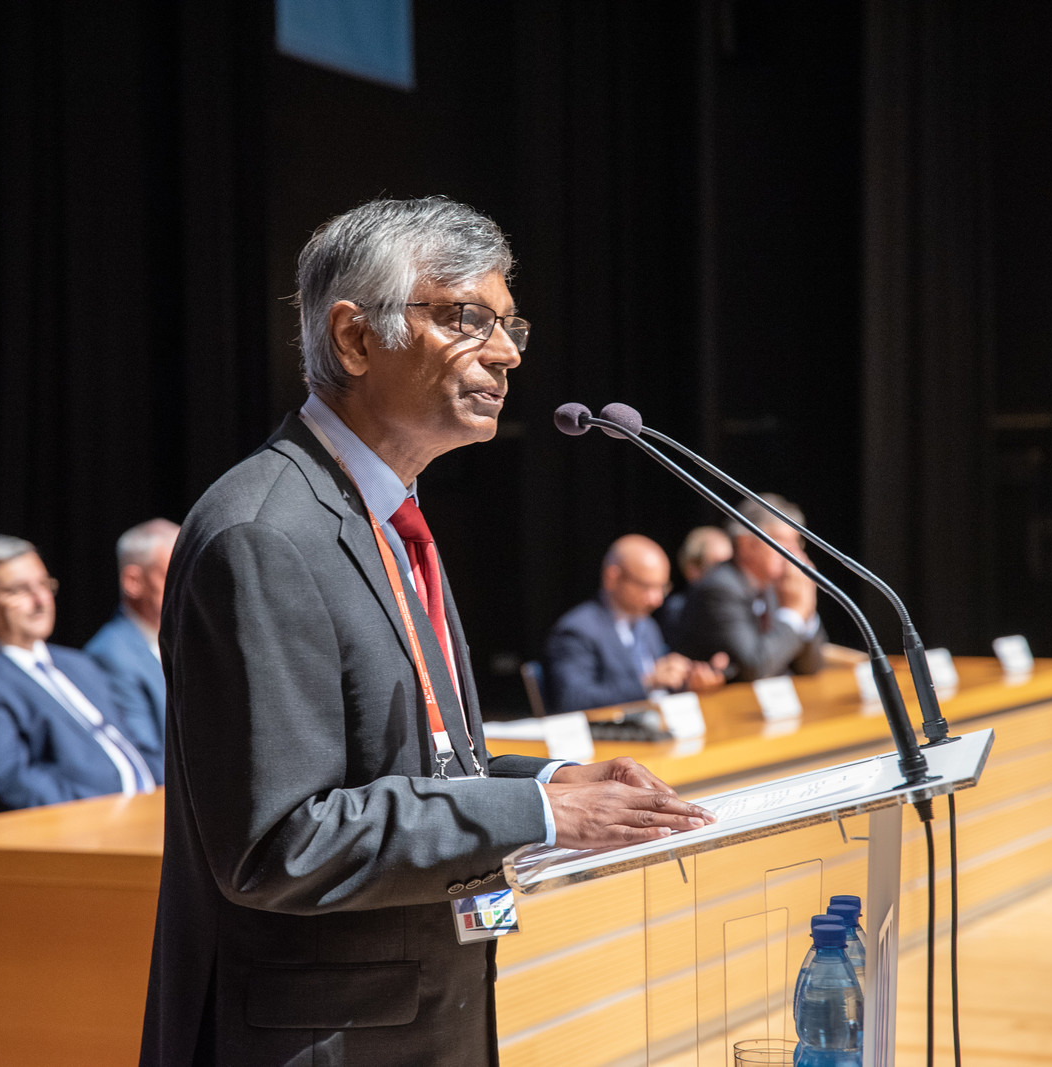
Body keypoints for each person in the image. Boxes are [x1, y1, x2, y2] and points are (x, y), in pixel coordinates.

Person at [140, 197, 714, 1067]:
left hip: (420, 1018)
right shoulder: (264, 535)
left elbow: (415, 766)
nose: (507, 351)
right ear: (354, 339)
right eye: (467, 318)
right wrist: (537, 813)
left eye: (509, 323)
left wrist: (550, 778)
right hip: (318, 1040)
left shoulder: (388, 513)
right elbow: (282, 840)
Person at [0, 535, 155, 817]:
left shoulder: (78, 664)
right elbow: (11, 786)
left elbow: (137, 749)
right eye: (20, 590)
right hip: (86, 828)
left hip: (150, 814)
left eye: (44, 585)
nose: (41, 600)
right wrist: (110, 813)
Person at [542, 534, 727, 713]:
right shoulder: (577, 630)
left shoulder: (647, 625)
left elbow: (658, 693)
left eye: (662, 588)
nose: (657, 600)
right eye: (647, 587)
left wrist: (687, 682)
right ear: (612, 577)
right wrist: (647, 682)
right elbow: (572, 701)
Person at [673, 495, 830, 681]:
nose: (794, 553)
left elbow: (811, 666)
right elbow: (755, 667)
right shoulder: (719, 589)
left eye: (797, 542)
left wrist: (807, 611)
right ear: (746, 544)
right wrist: (795, 612)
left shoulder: (777, 588)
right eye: (782, 541)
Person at [85, 518, 179, 783]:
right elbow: (147, 759)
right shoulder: (111, 655)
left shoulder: (195, 639)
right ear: (133, 581)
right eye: (174, 574)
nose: (189, 586)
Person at [655, 524, 733, 642]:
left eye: (729, 566)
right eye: (718, 567)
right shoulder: (677, 610)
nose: (726, 575)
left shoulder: (742, 604)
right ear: (692, 569)